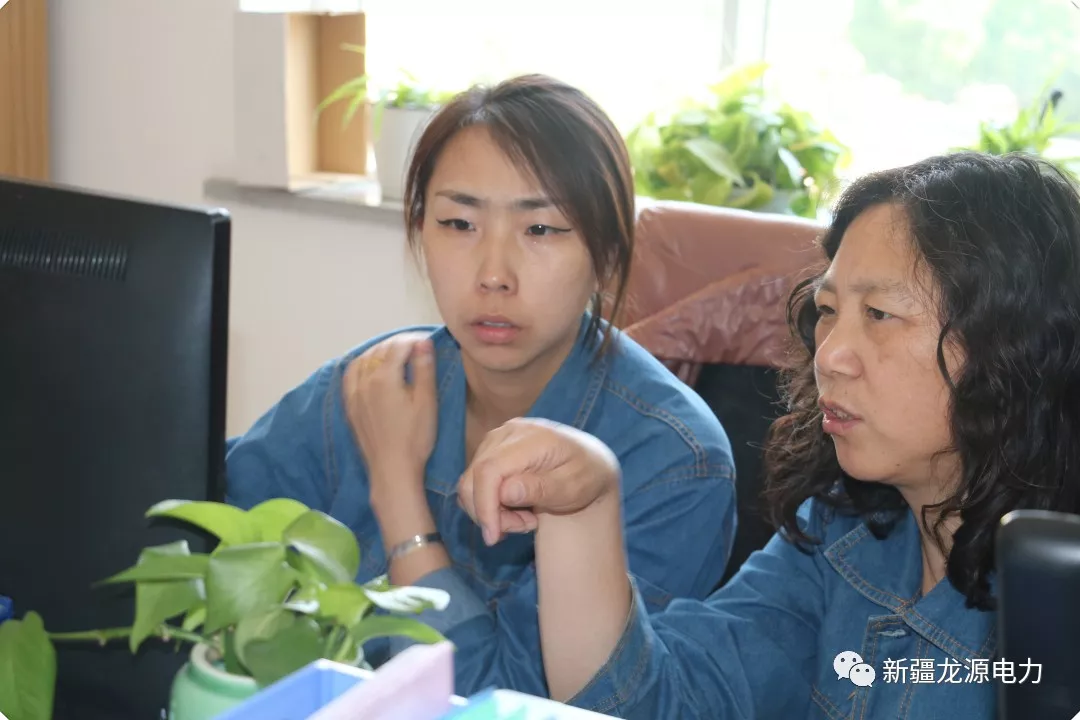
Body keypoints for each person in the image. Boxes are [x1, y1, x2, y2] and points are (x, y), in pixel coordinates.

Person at [453, 151, 1080, 718]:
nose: (829, 355)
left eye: (880, 314)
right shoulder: (840, 534)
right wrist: (585, 510)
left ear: (1013, 346)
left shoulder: (1057, 598)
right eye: (827, 312)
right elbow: (654, 706)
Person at [224, 74, 736, 698]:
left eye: (540, 229)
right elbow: (205, 534)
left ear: (606, 255)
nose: (494, 274)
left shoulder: (675, 464)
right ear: (420, 232)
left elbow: (504, 705)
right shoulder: (377, 383)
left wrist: (397, 493)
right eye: (459, 223)